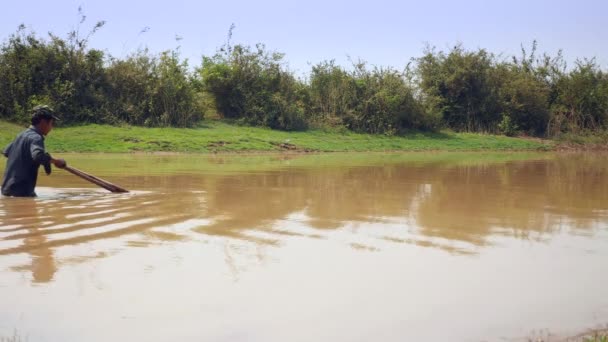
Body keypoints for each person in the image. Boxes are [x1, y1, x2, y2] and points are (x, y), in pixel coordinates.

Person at [1, 105, 67, 197]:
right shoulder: (36, 137)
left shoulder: (21, 135)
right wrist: (56, 161)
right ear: (43, 122)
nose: (51, 127)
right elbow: (38, 156)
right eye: (51, 123)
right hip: (22, 191)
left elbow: (6, 151)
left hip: (6, 189)